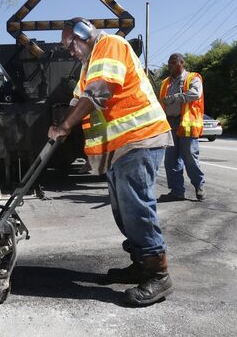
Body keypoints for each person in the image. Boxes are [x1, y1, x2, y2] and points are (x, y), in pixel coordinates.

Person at [48, 18, 174, 306]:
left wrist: (66, 125)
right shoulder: (89, 64)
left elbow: (99, 92)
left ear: (84, 33)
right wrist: (60, 124)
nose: (70, 51)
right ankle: (142, 263)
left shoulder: (110, 46)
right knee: (123, 211)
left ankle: (159, 274)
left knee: (136, 208)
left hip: (139, 139)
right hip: (119, 148)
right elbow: (79, 98)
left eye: (71, 44)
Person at [158, 53, 206, 202]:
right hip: (170, 124)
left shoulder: (193, 78)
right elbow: (161, 102)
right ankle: (177, 191)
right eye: (169, 63)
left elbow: (196, 94)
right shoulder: (165, 82)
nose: (170, 66)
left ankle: (199, 185)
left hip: (186, 123)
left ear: (181, 63)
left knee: (190, 157)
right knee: (171, 160)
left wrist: (176, 97)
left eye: (173, 63)